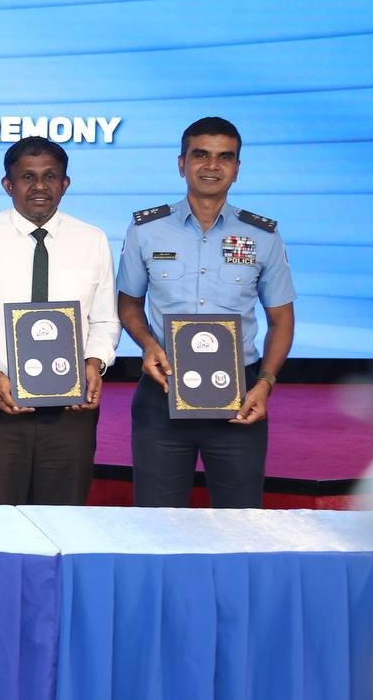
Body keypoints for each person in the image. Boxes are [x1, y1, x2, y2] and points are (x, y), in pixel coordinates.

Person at [117, 116, 295, 508]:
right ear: (182, 163)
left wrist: (265, 383)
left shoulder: (262, 236)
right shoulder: (146, 229)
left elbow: (281, 319)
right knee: (156, 522)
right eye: (201, 155)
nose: (212, 166)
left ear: (237, 168)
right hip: (163, 390)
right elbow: (128, 304)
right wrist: (147, 344)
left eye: (224, 157)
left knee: (240, 522)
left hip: (240, 395)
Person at [0, 138, 119, 505]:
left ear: (65, 183)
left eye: (50, 176)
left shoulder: (93, 240)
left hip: (72, 410)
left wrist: (94, 362)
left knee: (63, 522)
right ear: (8, 185)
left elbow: (104, 319)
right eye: (27, 177)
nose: (40, 186)